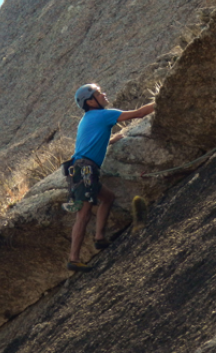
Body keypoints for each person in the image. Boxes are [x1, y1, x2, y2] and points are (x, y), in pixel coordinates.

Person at [66, 83, 155, 271]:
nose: (104, 94)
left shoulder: (88, 118)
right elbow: (138, 113)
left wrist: (112, 140)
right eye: (99, 93)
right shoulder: (102, 115)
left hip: (80, 168)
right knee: (83, 214)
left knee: (108, 198)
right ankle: (73, 259)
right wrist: (163, 100)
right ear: (91, 101)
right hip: (85, 170)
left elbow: (90, 143)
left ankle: (99, 238)